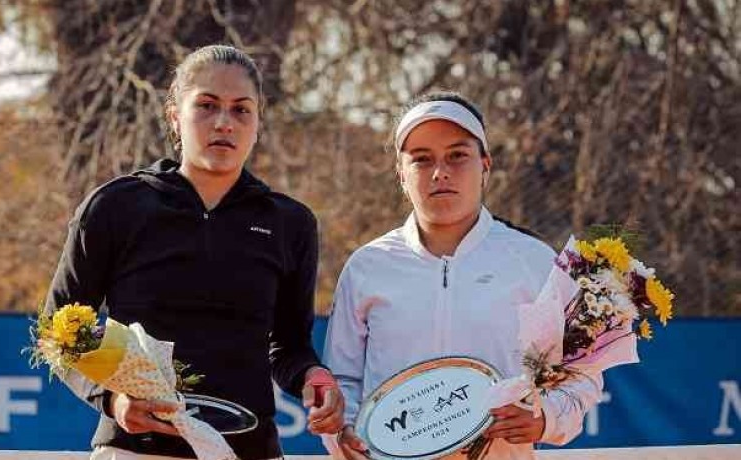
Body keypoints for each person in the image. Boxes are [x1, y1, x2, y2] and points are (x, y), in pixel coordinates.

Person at [44, 45, 344, 460]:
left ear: (258, 124)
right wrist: (112, 399)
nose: (224, 122)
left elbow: (290, 346)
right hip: (133, 451)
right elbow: (55, 330)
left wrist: (314, 376)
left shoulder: (290, 223)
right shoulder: (115, 206)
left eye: (242, 110)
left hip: (248, 450)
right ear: (174, 116)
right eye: (206, 105)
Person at [322, 91, 603, 459]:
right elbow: (341, 380)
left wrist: (545, 418)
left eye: (458, 155)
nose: (440, 172)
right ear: (401, 175)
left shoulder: (534, 261)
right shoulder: (367, 266)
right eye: (421, 160)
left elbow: (580, 375)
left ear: (485, 164)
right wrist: (346, 434)